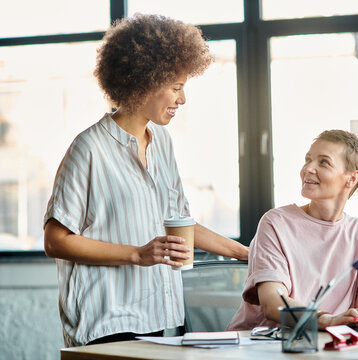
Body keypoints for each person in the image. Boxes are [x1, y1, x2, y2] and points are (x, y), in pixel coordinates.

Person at [43, 13, 248, 347]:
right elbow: (56, 240)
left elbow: (180, 226)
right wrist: (136, 254)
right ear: (145, 81)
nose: (182, 99)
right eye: (176, 88)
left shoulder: (162, 143)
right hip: (108, 323)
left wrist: (244, 252)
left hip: (161, 318)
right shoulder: (88, 149)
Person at [227, 129, 358, 331]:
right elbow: (273, 304)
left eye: (323, 162)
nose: (308, 168)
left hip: (323, 344)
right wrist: (326, 320)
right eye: (308, 159)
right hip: (261, 345)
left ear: (351, 179)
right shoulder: (276, 222)